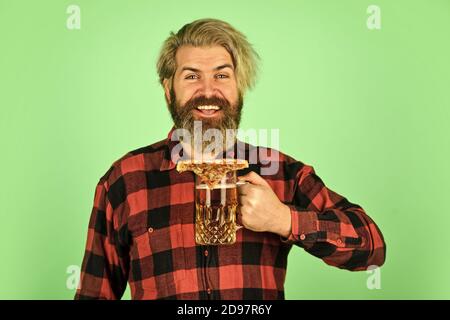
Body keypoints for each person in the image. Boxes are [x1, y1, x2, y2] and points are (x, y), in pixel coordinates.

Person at [75, 18, 386, 300]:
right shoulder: (124, 180)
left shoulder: (280, 173)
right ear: (168, 89)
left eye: (222, 75)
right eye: (192, 76)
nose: (208, 91)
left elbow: (371, 247)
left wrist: (284, 219)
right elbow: (94, 294)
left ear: (240, 88)